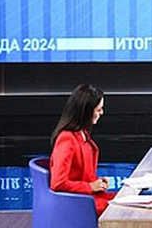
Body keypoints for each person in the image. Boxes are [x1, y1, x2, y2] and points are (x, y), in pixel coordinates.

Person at [49, 84, 115, 216]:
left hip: (87, 198)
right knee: (125, 208)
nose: (102, 113)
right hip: (79, 203)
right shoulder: (67, 139)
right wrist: (90, 186)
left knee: (126, 200)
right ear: (86, 111)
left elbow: (79, 175)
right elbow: (58, 183)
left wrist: (97, 183)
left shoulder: (82, 134)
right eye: (98, 109)